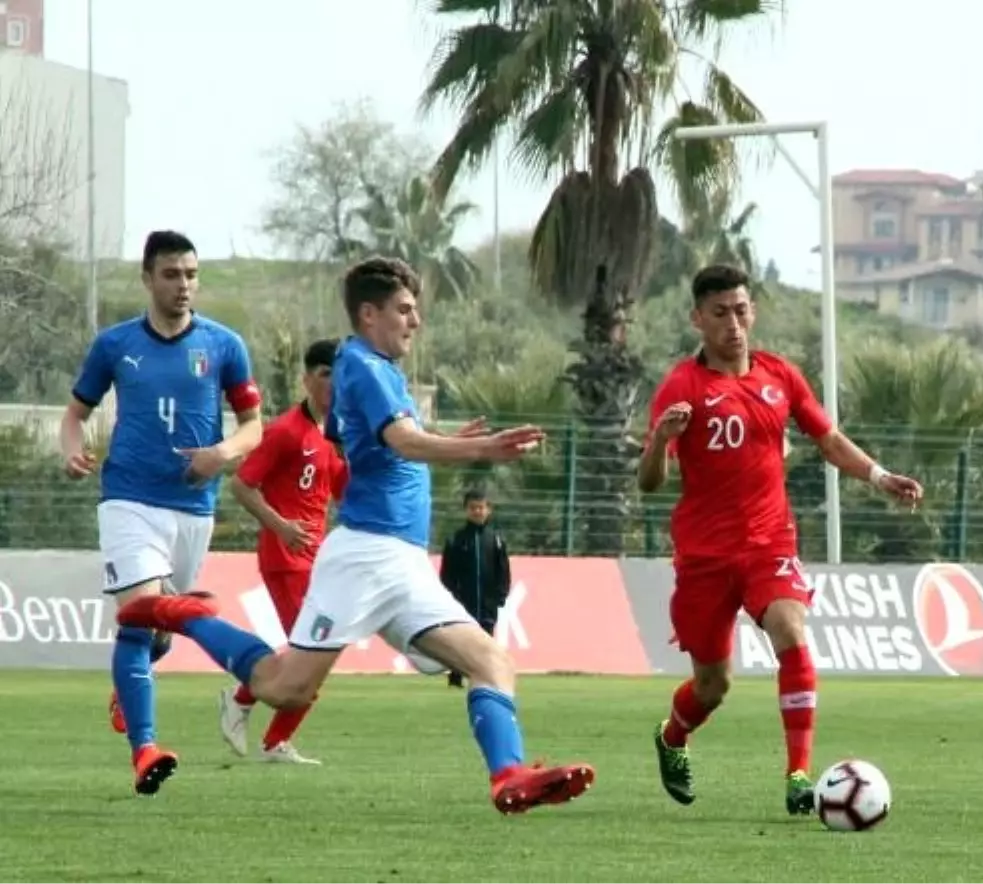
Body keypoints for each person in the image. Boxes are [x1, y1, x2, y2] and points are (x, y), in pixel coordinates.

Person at [114, 256, 596, 815]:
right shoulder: (362, 364)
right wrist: (478, 448)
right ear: (370, 314)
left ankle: (508, 776)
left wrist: (438, 440)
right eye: (405, 310)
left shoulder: (377, 369)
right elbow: (403, 443)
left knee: (492, 662)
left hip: (405, 564)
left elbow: (384, 448)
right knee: (283, 687)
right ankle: (185, 615)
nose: (415, 321)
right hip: (364, 556)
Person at [637, 264, 923, 817]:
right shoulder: (682, 388)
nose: (733, 323)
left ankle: (798, 775)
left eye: (741, 310)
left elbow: (829, 438)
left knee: (791, 632)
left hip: (770, 543)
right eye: (719, 313)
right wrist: (659, 442)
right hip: (704, 557)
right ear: (698, 319)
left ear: (753, 312)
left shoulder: (781, 377)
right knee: (712, 686)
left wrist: (880, 476)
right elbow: (650, 484)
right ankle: (673, 736)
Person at [60, 230, 264, 796]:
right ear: (147, 279)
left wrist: (221, 454)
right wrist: (70, 448)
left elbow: (254, 427)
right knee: (145, 612)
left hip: (194, 510)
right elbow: (75, 413)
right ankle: (145, 749)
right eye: (172, 274)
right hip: (128, 499)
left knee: (160, 635)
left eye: (192, 274)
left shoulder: (224, 346)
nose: (184, 285)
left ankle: (128, 684)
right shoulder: (115, 344)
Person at [217, 338, 346, 764]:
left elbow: (343, 496)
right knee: (314, 654)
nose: (332, 382)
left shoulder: (335, 435)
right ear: (307, 379)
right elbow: (240, 484)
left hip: (316, 560)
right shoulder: (287, 431)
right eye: (324, 373)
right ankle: (246, 708)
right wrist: (282, 526)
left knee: (313, 652)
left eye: (339, 374)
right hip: (285, 558)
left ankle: (260, 723)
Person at [440, 489, 512, 689]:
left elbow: (503, 570)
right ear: (466, 510)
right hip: (463, 601)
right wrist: (450, 595)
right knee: (460, 640)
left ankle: (485, 677)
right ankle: (455, 677)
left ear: (488, 510)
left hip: (487, 602)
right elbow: (447, 572)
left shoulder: (495, 540)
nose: (477, 512)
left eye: (481, 507)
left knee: (486, 640)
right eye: (473, 508)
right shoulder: (456, 540)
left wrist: (501, 594)